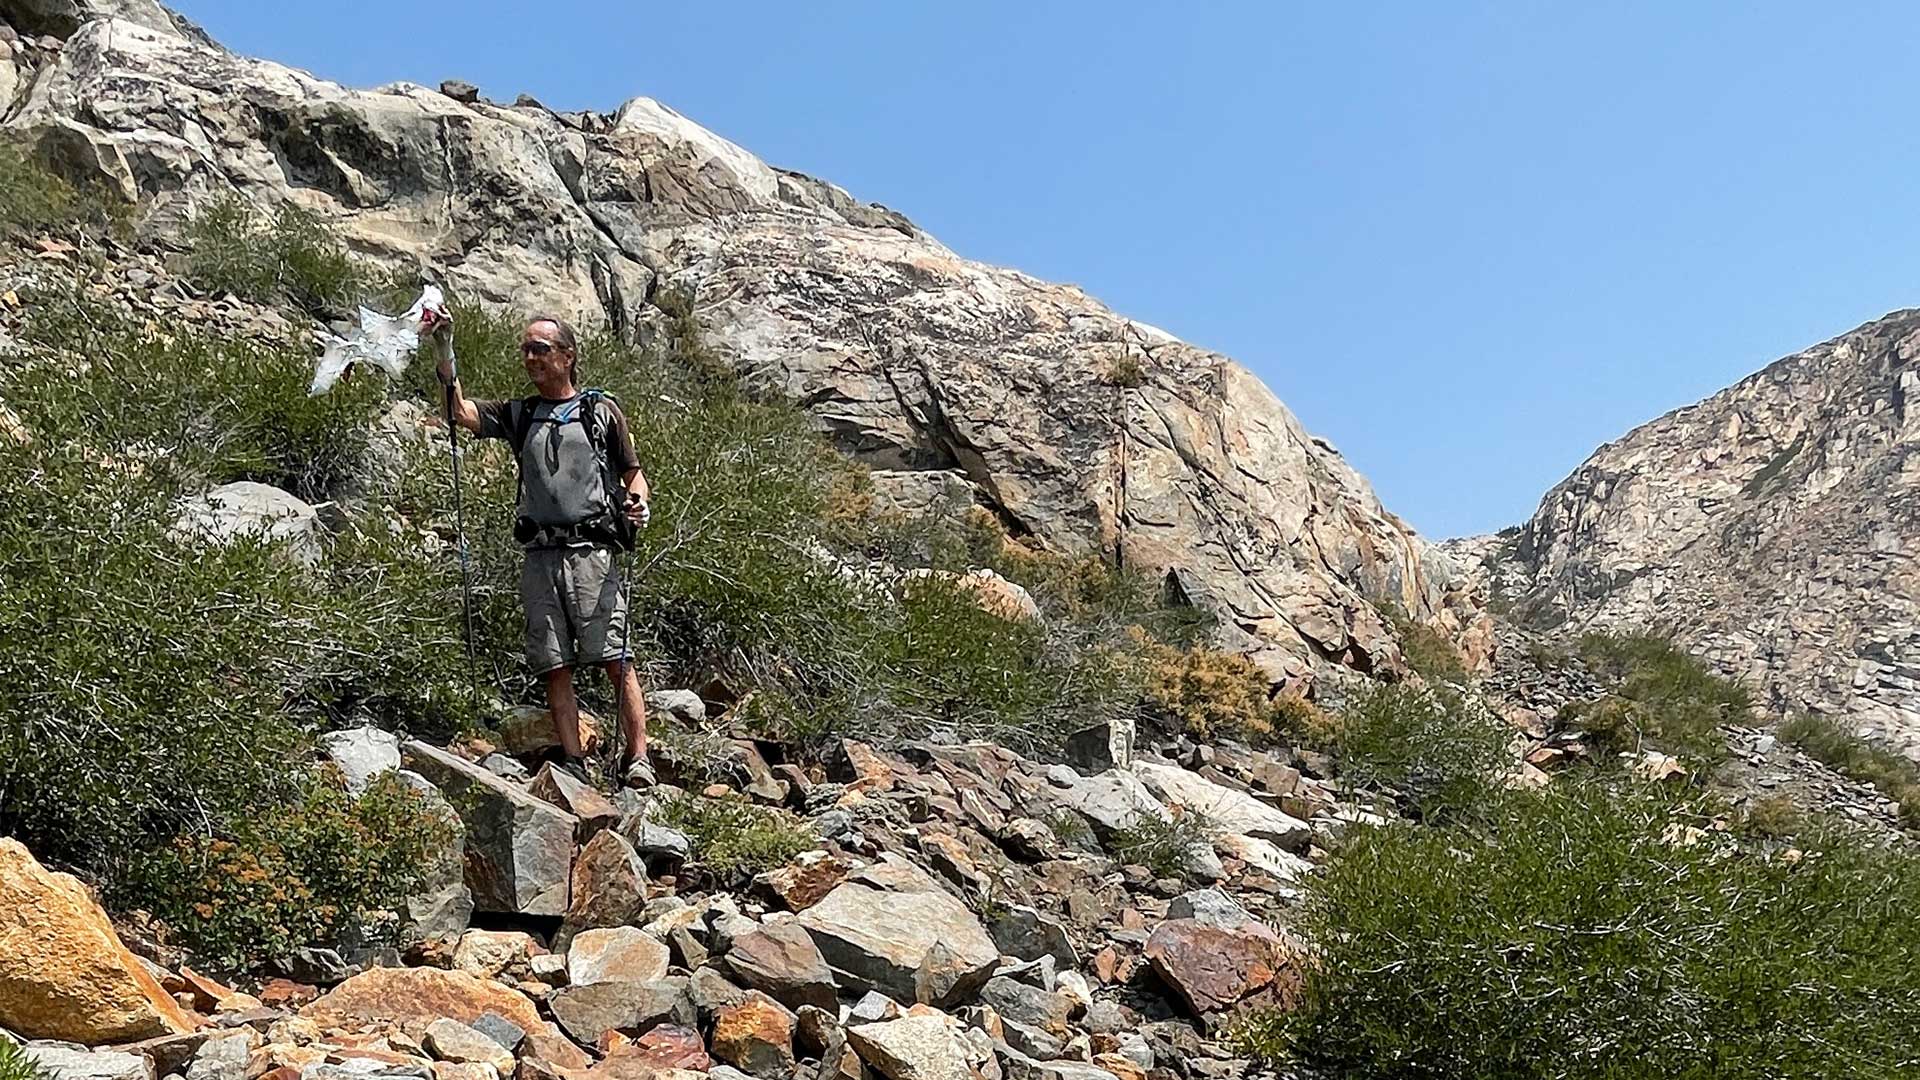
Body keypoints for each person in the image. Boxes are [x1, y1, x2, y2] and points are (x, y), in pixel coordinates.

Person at [428, 311, 651, 782]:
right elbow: (458, 412)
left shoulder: (600, 411)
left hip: (593, 554)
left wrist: (638, 505)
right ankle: (573, 762)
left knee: (616, 658)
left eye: (540, 349)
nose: (530, 358)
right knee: (554, 664)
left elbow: (633, 474)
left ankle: (639, 760)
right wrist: (444, 348)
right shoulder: (520, 413)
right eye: (526, 349)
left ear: (568, 356)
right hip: (540, 556)